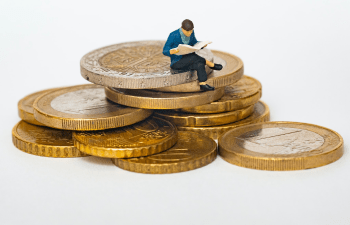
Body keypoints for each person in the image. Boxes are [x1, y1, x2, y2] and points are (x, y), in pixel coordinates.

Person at [162, 19, 223, 91]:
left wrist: (201, 44)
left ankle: (202, 84)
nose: (190, 33)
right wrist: (171, 51)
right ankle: (211, 65)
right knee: (193, 57)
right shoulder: (173, 35)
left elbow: (194, 42)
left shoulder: (191, 33)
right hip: (177, 62)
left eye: (191, 31)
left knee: (199, 63)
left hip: (190, 60)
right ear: (182, 29)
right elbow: (165, 50)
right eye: (187, 31)